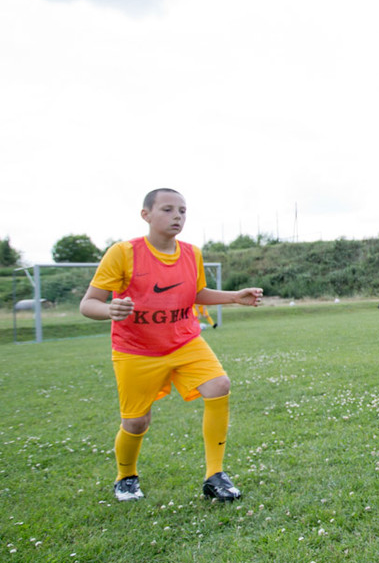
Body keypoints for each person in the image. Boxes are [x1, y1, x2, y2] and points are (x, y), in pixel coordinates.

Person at [79, 188, 263, 503]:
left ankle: (214, 475)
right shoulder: (123, 253)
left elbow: (194, 293)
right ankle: (126, 476)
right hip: (136, 349)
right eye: (167, 209)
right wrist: (110, 310)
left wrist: (233, 297)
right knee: (136, 421)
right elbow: (88, 304)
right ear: (146, 215)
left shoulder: (192, 253)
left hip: (185, 341)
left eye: (182, 210)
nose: (177, 216)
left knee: (219, 384)